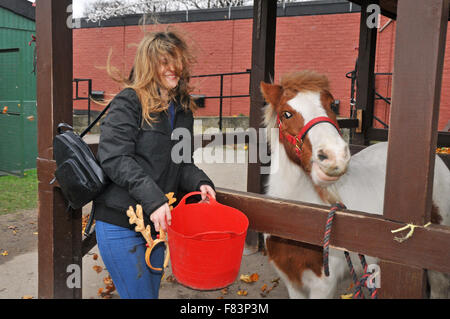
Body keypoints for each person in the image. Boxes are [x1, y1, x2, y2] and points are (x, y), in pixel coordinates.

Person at [93, 29, 216, 299]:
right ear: (149, 64)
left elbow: (182, 163)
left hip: (157, 224)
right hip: (121, 222)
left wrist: (201, 183)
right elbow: (115, 158)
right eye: (164, 61)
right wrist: (155, 200)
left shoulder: (182, 110)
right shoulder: (129, 101)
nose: (174, 68)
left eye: (177, 61)